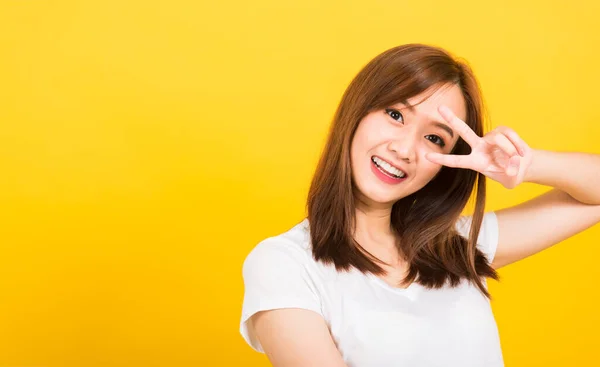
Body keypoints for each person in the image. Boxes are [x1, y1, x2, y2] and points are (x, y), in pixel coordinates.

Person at [238, 44, 600, 367]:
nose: (406, 149)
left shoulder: (457, 246)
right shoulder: (284, 264)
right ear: (356, 113)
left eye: (434, 138)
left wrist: (525, 165)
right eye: (395, 115)